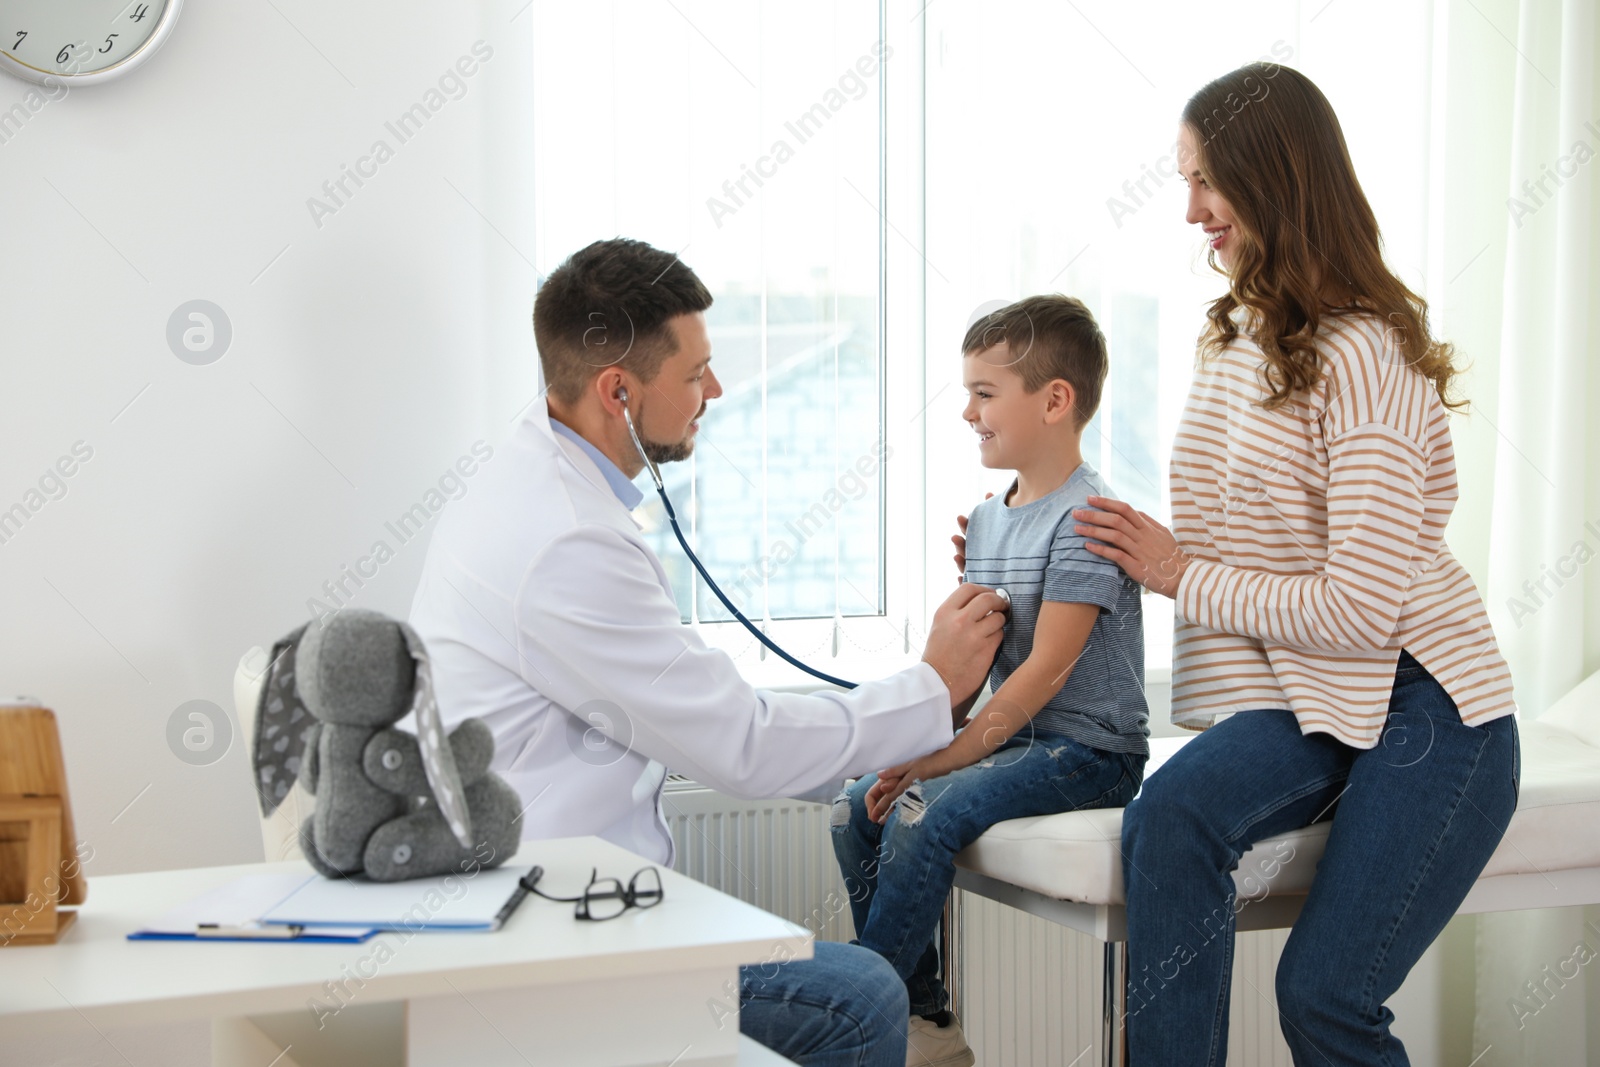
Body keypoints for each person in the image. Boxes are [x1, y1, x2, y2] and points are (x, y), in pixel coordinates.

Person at [406, 237, 1009, 1067]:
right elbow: (743, 743)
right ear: (618, 391)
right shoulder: (567, 538)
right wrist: (933, 685)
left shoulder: (529, 482)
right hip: (548, 941)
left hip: (547, 904)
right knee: (863, 996)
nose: (715, 391)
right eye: (695, 374)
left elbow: (706, 709)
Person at [1072, 63, 1520, 1065]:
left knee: (1323, 995)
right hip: (1312, 688)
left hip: (1429, 702)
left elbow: (1360, 608)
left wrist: (1177, 571)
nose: (1189, 211)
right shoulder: (1232, 337)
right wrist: (1053, 530)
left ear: (1271, 175)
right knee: (1173, 815)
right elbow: (1227, 534)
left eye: (1205, 181)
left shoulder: (1368, 354)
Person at [832, 295, 1149, 1067]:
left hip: (1087, 750)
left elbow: (1045, 671)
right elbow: (978, 667)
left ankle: (858, 1020)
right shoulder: (991, 518)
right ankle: (921, 1013)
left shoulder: (1088, 518)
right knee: (854, 803)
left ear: (1053, 400)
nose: (968, 411)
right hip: (1017, 738)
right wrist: (922, 741)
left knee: (916, 808)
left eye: (984, 392)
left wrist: (939, 761)